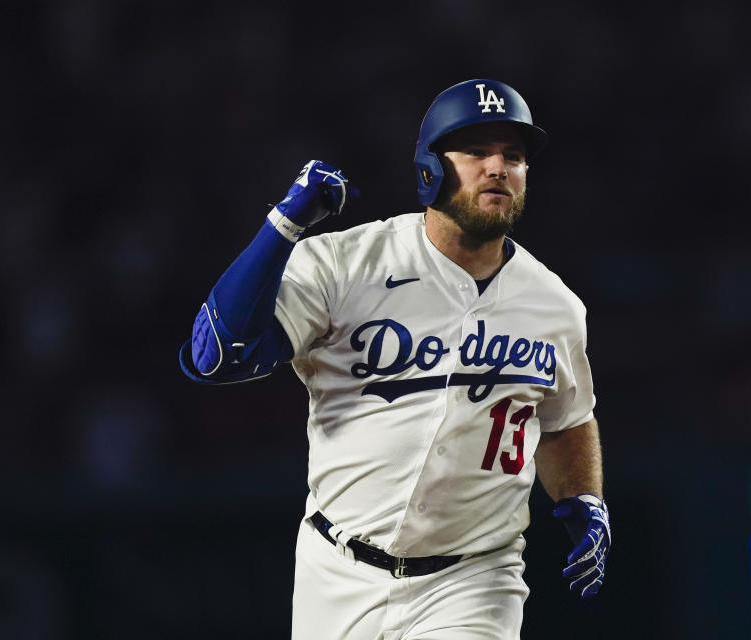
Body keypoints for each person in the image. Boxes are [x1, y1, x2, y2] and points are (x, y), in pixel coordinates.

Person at [179, 78, 609, 640]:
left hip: (475, 577)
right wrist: (282, 227)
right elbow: (218, 355)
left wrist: (587, 498)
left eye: (513, 155)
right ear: (430, 169)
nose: (498, 167)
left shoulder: (554, 306)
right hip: (337, 569)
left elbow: (565, 420)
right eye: (476, 152)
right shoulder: (345, 264)